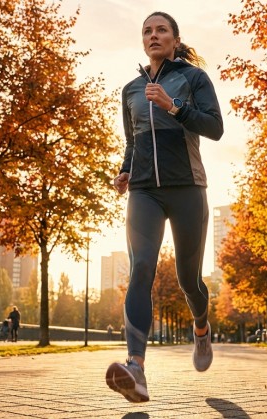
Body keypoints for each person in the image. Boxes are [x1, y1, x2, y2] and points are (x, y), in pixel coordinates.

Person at [105, 11, 223, 403]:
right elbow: (133, 141)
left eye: (161, 30)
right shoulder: (131, 90)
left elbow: (215, 128)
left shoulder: (193, 79)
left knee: (190, 279)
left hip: (187, 187)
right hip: (144, 192)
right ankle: (135, 367)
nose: (153, 36)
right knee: (140, 269)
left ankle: (202, 329)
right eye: (147, 31)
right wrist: (125, 172)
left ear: (174, 39)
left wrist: (175, 107)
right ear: (143, 41)